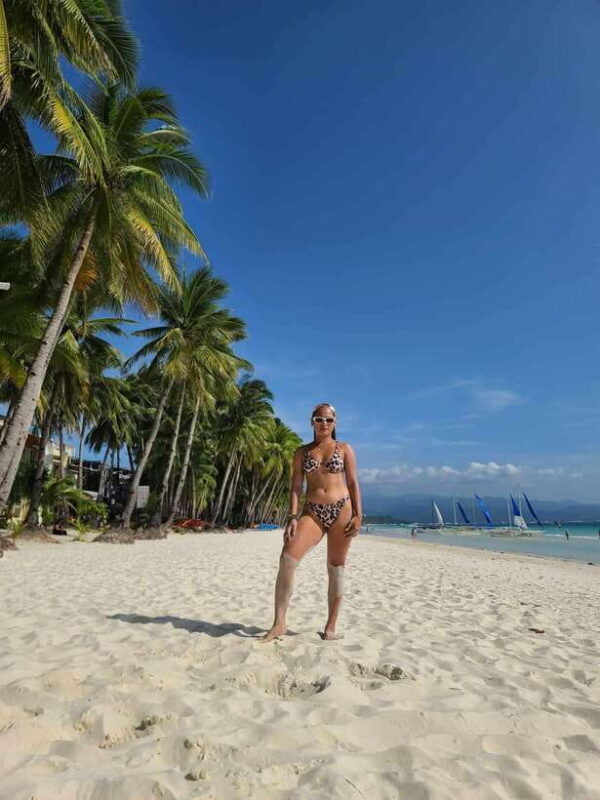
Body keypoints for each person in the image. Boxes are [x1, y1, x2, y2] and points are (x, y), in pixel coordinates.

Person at [260, 403, 362, 642]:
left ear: (335, 423)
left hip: (342, 510)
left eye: (328, 420)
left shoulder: (345, 449)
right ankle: (279, 623)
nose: (323, 424)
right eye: (319, 419)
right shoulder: (301, 452)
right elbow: (296, 486)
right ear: (312, 422)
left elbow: (354, 483)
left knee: (336, 569)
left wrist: (359, 515)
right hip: (312, 510)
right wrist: (292, 517)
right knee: (287, 558)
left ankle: (330, 628)